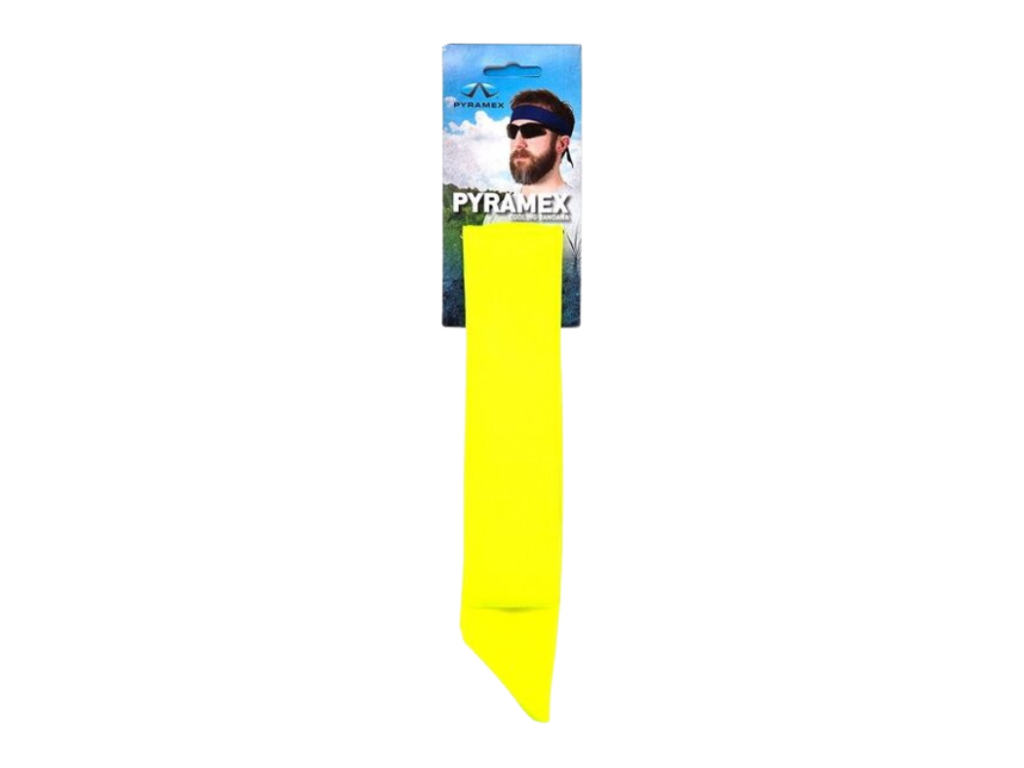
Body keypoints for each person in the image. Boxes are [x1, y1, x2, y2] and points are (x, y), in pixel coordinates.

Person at [484, 89, 581, 326]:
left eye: (531, 131)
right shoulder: (496, 213)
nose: (518, 142)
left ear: (561, 144)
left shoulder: (581, 212)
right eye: (513, 131)